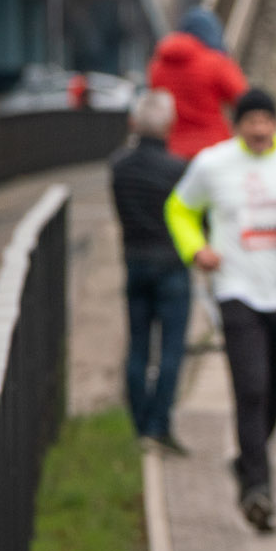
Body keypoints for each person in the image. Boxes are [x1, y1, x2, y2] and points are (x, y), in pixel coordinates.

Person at [165, 88, 276, 530]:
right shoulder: (213, 163)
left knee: (275, 391)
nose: (259, 129)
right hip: (238, 290)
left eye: (267, 120)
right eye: (251, 121)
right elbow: (179, 208)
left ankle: (247, 461)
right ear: (238, 124)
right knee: (250, 389)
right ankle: (258, 490)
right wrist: (197, 251)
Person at [110, 89, 191, 454]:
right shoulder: (178, 169)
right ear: (170, 125)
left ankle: (140, 423)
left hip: (134, 261)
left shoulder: (119, 166)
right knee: (172, 349)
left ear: (134, 123)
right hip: (172, 264)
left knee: (138, 346)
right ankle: (159, 425)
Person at [146, 6, 247, 160]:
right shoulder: (216, 62)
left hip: (171, 151)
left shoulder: (157, 66)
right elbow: (244, 100)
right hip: (214, 148)